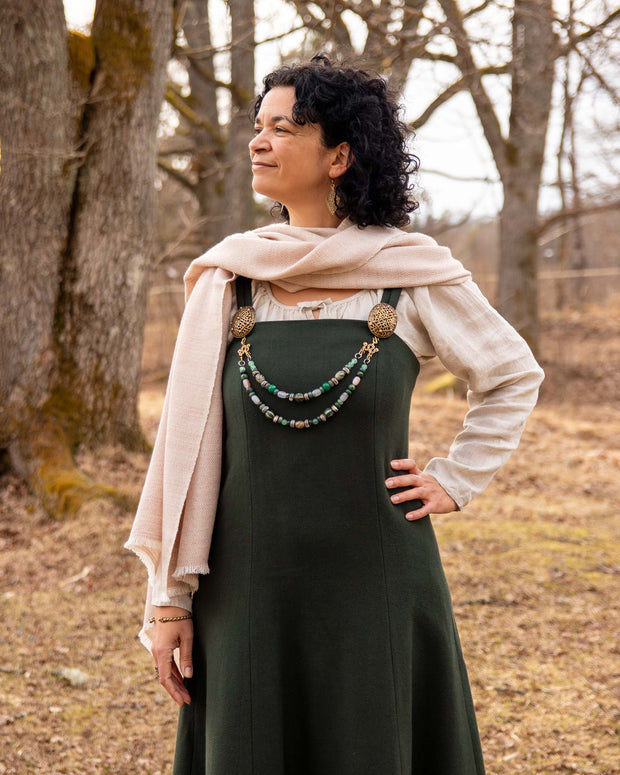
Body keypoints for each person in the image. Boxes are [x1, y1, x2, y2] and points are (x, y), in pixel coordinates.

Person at [126, 55, 543, 775]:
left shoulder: (410, 274)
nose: (258, 142)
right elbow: (183, 454)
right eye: (258, 126)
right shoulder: (230, 279)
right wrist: (169, 605)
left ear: (339, 156)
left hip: (378, 582)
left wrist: (454, 478)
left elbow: (511, 375)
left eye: (283, 129)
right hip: (247, 590)